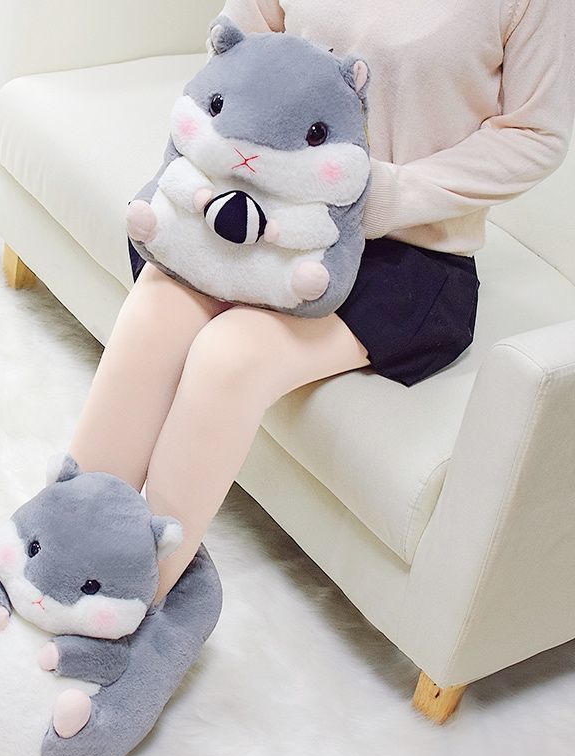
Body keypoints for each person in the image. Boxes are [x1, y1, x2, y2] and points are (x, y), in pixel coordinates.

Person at [67, 0, 575, 605]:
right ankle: (53, 554)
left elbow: (535, 134)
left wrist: (390, 193)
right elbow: (243, 36)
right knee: (155, 313)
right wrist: (256, 154)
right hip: (266, 210)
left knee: (229, 355)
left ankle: (128, 606)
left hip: (406, 247)